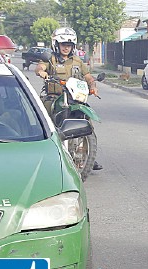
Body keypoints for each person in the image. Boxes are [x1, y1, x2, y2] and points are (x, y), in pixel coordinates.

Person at [35, 27, 103, 171]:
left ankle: (88, 155)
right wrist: (41, 72)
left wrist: (93, 85)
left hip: (73, 98)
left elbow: (88, 76)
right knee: (44, 121)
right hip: (54, 97)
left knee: (87, 121)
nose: (66, 48)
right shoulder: (51, 59)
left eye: (69, 45)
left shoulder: (77, 61)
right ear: (57, 45)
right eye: (63, 44)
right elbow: (40, 67)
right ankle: (42, 154)